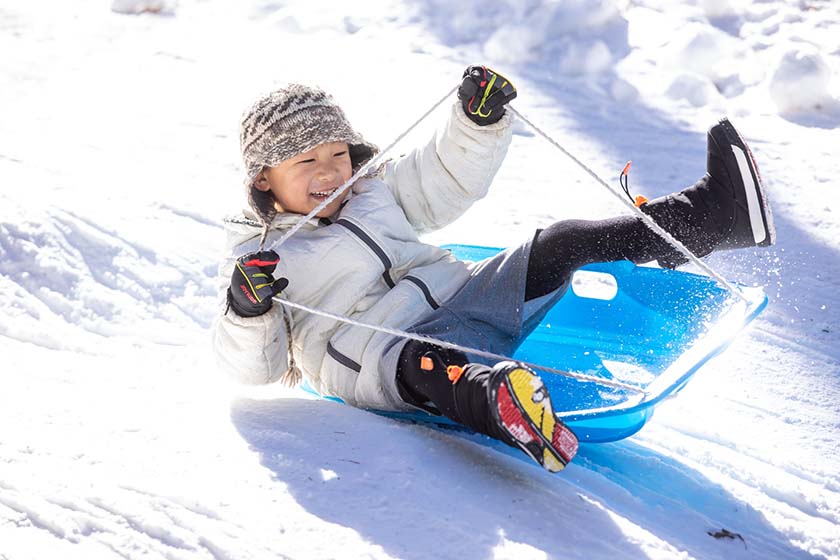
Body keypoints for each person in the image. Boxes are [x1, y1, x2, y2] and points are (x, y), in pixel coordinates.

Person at [213, 66, 775, 473]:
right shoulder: (260, 256)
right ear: (264, 177)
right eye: (305, 161)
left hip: (465, 295)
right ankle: (505, 403)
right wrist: (248, 311)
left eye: (338, 154)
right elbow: (252, 368)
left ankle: (712, 219)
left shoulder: (371, 191)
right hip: (377, 354)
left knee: (561, 242)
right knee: (433, 367)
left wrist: (475, 124)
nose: (329, 172)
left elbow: (441, 178)